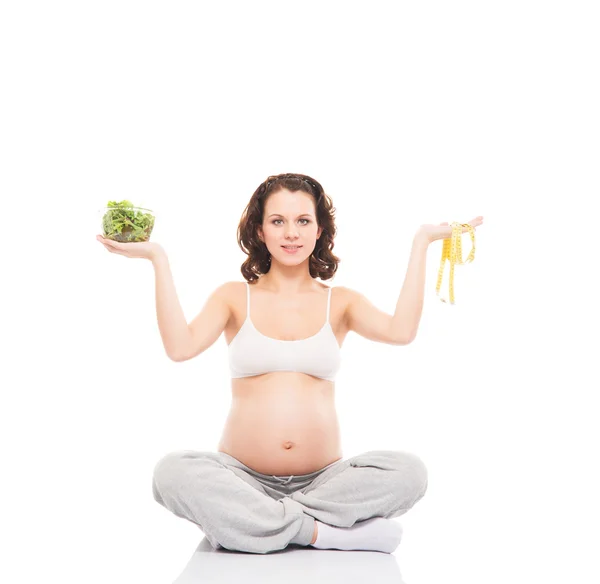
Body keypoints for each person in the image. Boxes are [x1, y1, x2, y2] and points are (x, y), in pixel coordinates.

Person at [97, 173, 483, 554]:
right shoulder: (233, 297)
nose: (291, 233)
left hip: (324, 483)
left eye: (303, 221)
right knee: (171, 473)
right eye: (277, 221)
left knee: (410, 472)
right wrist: (158, 260)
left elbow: (402, 331)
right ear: (261, 231)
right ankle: (325, 534)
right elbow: (180, 349)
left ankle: (249, 525)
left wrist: (421, 244)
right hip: (241, 478)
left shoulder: (342, 302)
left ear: (320, 231)